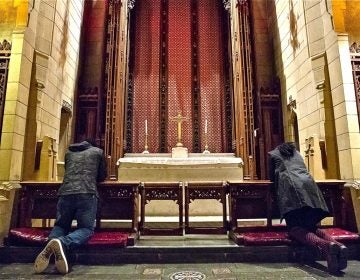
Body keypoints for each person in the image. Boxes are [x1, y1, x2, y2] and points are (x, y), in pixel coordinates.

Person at [268, 142, 347, 274]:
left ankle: (326, 246)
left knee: (295, 228)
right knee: (310, 226)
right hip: (310, 187)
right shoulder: (297, 153)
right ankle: (339, 245)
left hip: (291, 189)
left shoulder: (273, 155)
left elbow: (272, 178)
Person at [34, 139, 107, 274]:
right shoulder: (98, 152)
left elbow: (68, 170)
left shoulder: (68, 153)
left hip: (65, 193)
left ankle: (53, 244)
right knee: (86, 229)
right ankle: (62, 243)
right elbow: (102, 175)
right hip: (87, 192)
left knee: (61, 225)